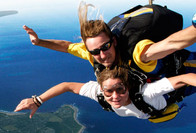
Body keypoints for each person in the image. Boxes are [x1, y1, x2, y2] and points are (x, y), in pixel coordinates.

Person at [23, 2, 196, 78]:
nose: (103, 55)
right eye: (95, 51)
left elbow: (172, 43)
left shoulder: (135, 52)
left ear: (114, 41)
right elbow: (67, 46)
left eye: (105, 47)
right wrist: (40, 42)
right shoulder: (92, 52)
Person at [14, 67, 196, 122]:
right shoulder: (98, 93)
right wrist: (37, 100)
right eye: (109, 91)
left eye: (120, 90)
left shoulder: (147, 93)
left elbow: (186, 78)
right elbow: (67, 86)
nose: (115, 96)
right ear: (102, 89)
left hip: (182, 89)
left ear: (128, 87)